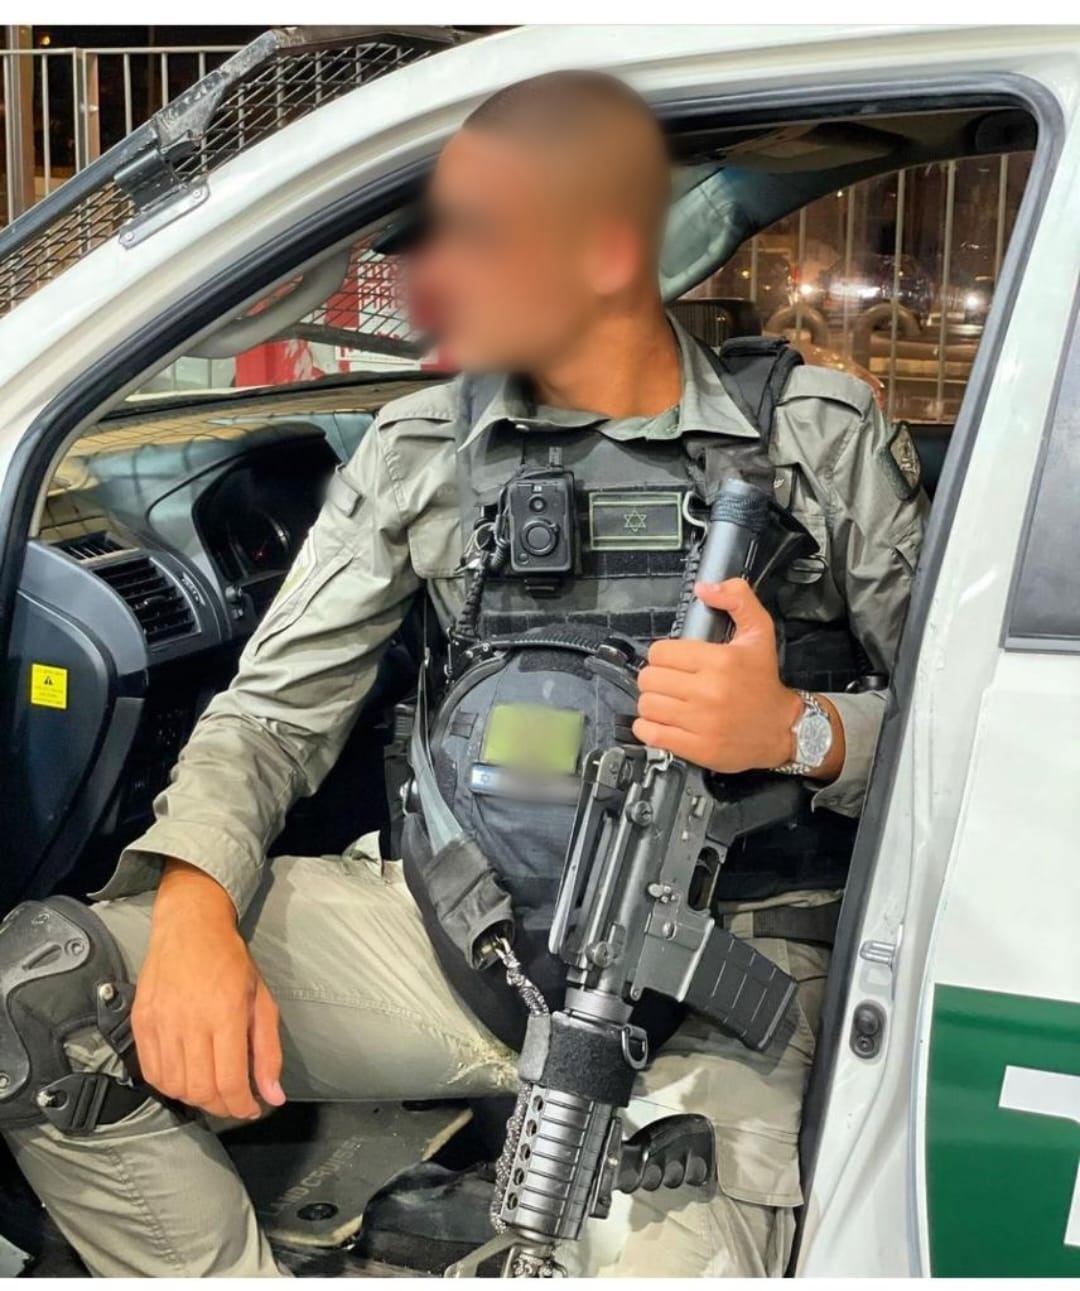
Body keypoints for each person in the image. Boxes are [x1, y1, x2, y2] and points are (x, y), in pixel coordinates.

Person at [1, 71, 926, 1277]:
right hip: (458, 936)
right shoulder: (421, 447)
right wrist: (190, 902)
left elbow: (983, 739)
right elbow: (271, 713)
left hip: (711, 979)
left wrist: (799, 730)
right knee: (38, 1002)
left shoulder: (813, 438)